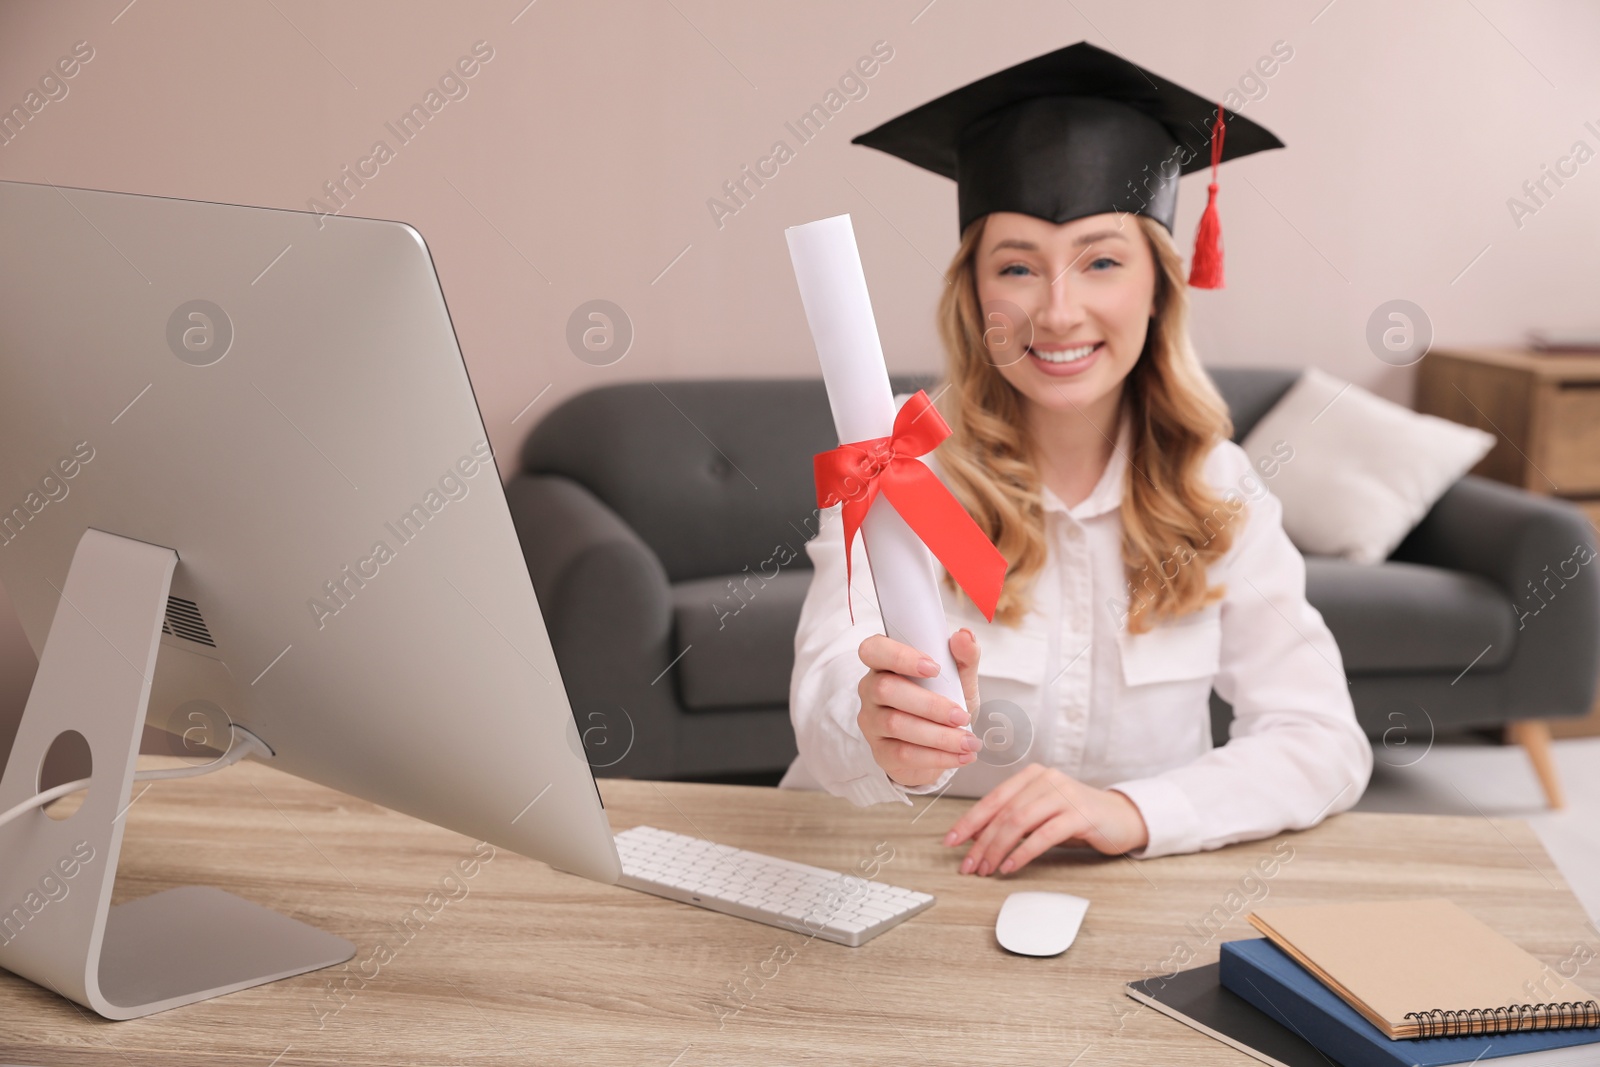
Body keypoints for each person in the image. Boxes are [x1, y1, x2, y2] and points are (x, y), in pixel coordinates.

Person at [780, 42, 1373, 871]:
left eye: (1101, 261)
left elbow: (1321, 739)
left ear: (1160, 285)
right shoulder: (902, 471)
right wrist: (875, 731)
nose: (1057, 312)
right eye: (1017, 266)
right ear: (976, 295)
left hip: (1117, 907)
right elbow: (825, 682)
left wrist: (1135, 810)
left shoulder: (1219, 487)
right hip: (891, 878)